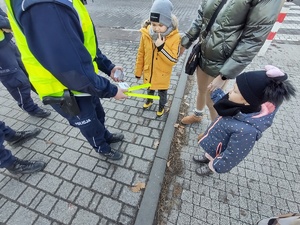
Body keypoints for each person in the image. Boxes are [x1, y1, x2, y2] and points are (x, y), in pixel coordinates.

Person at [5, 0, 128, 160]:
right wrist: (111, 90)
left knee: (97, 112)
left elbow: (81, 42)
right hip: (64, 88)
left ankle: (105, 135)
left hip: (83, 83)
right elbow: (71, 67)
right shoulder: (45, 7)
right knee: (88, 122)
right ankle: (101, 146)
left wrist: (107, 66)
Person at [179, 0, 285, 125]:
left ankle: (215, 132)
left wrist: (225, 74)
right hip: (203, 52)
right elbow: (202, 16)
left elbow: (252, 40)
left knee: (212, 101)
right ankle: (198, 114)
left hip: (222, 61)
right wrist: (186, 41)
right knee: (201, 90)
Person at [193, 65, 296, 176]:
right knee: (212, 151)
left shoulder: (247, 131)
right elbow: (224, 104)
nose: (230, 92)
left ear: (248, 101)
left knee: (217, 158)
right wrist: (216, 93)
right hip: (217, 140)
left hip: (222, 150)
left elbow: (234, 154)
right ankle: (208, 156)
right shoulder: (239, 104)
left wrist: (219, 165)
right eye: (233, 88)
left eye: (235, 91)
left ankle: (210, 167)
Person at [0, 7, 51, 118]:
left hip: (6, 41)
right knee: (16, 81)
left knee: (26, 70)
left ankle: (44, 94)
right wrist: (8, 22)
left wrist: (7, 20)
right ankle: (30, 108)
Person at [134, 0, 180, 117]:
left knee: (162, 93)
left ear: (168, 23)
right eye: (154, 24)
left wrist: (161, 47)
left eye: (161, 25)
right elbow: (141, 53)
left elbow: (173, 60)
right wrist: (138, 71)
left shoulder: (174, 37)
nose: (157, 29)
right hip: (149, 71)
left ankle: (161, 106)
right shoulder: (146, 34)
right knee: (149, 88)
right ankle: (149, 100)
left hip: (163, 75)